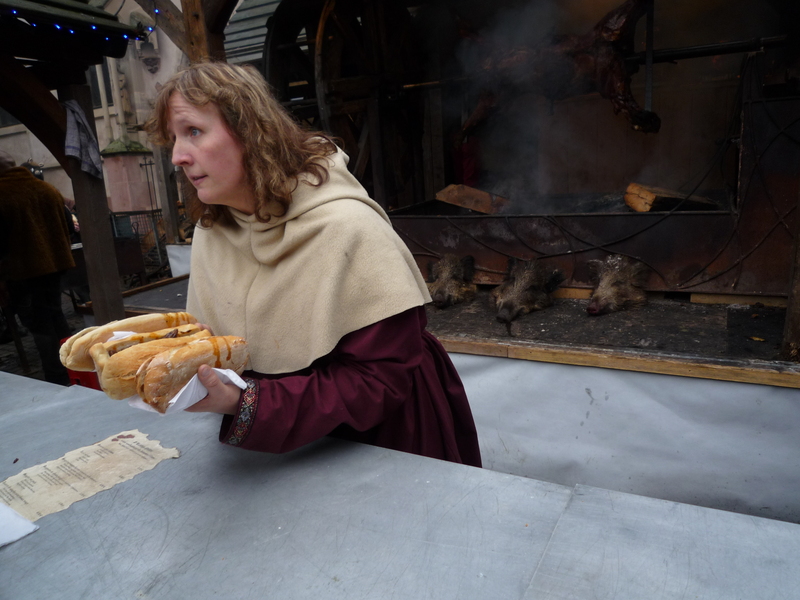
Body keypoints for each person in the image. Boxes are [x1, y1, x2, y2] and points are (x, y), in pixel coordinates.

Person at [145, 61, 481, 467]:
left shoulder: (349, 228)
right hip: (272, 446)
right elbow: (222, 351)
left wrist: (243, 401)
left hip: (378, 442)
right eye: (174, 139)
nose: (178, 157)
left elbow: (379, 381)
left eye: (194, 131)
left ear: (249, 131)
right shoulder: (212, 230)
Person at [0, 151, 75, 384]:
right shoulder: (48, 189)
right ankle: (76, 368)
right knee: (56, 316)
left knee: (40, 326)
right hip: (54, 267)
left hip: (23, 273)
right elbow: (69, 227)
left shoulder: (3, 194)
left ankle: (58, 377)